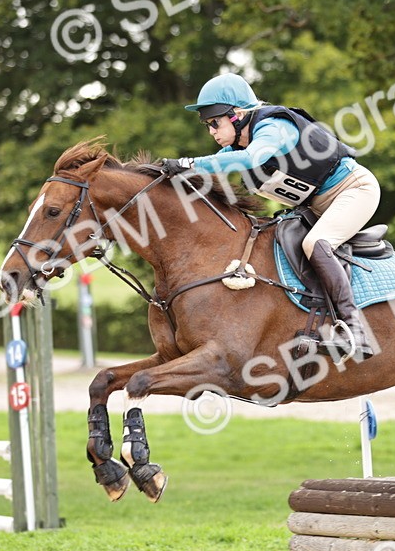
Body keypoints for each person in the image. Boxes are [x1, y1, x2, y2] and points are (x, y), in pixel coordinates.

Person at [161, 73, 379, 358]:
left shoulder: (274, 127)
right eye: (207, 125)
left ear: (237, 115)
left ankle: (356, 331)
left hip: (354, 190)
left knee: (316, 244)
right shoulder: (236, 149)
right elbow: (222, 164)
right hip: (315, 206)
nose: (211, 131)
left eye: (215, 122)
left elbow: (250, 159)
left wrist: (188, 162)